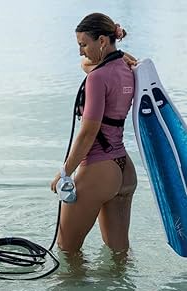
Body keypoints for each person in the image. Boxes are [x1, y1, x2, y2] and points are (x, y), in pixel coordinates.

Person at [50, 13, 137, 256]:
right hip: (124, 170)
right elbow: (87, 64)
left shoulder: (98, 78)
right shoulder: (127, 68)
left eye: (83, 44)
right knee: (119, 253)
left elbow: (88, 133)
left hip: (99, 169)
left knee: (67, 251)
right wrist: (121, 56)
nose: (80, 52)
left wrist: (65, 171)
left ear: (101, 40)